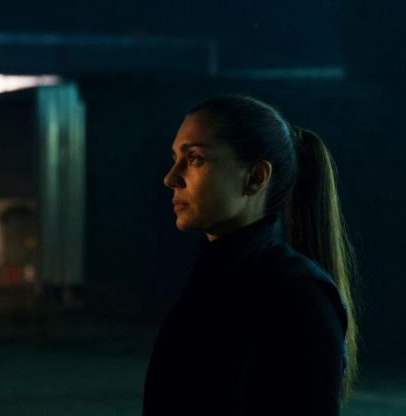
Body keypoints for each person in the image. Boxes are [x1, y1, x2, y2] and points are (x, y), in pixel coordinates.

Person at [144, 95, 358, 415]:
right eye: (175, 158)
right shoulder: (212, 283)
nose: (171, 177)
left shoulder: (299, 295)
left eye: (195, 158)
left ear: (256, 177)